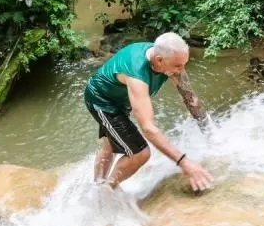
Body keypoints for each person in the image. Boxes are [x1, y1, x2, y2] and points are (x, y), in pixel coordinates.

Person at [84, 32, 215, 191]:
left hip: (121, 96)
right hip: (102, 100)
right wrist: (184, 162)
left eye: (184, 64)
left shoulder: (167, 59)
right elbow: (148, 128)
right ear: (159, 60)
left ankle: (97, 184)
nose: (181, 70)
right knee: (140, 153)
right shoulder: (137, 74)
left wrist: (212, 135)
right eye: (178, 65)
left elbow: (190, 99)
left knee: (110, 145)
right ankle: (106, 190)